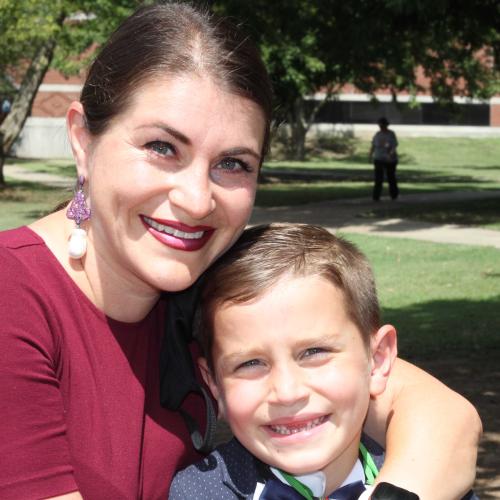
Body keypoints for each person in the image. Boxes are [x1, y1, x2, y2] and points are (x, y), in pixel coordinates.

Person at [0, 3, 480, 499]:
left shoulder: (211, 292)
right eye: (163, 147)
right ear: (82, 139)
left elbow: (440, 417)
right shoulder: (12, 295)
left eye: (232, 163)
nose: (196, 199)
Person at [170, 223, 477, 500]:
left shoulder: (436, 480)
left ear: (379, 359)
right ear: (214, 385)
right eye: (250, 363)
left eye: (314, 352)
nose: (288, 392)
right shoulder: (198, 492)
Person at [369, 117, 399, 201]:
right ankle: (376, 196)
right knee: (378, 178)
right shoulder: (377, 134)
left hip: (390, 159)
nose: (381, 127)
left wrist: (390, 154)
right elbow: (373, 145)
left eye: (382, 125)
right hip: (379, 158)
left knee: (391, 177)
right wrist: (370, 155)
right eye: (380, 125)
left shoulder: (391, 134)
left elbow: (394, 146)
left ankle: (394, 195)